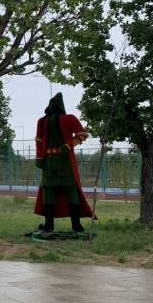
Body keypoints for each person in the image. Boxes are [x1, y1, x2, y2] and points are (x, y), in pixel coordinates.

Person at [33, 92, 95, 232]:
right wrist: (39, 157)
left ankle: (76, 225)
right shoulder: (42, 121)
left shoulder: (69, 118)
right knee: (47, 189)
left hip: (66, 161)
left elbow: (82, 134)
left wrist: (68, 145)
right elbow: (39, 141)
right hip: (48, 162)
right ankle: (49, 225)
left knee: (71, 188)